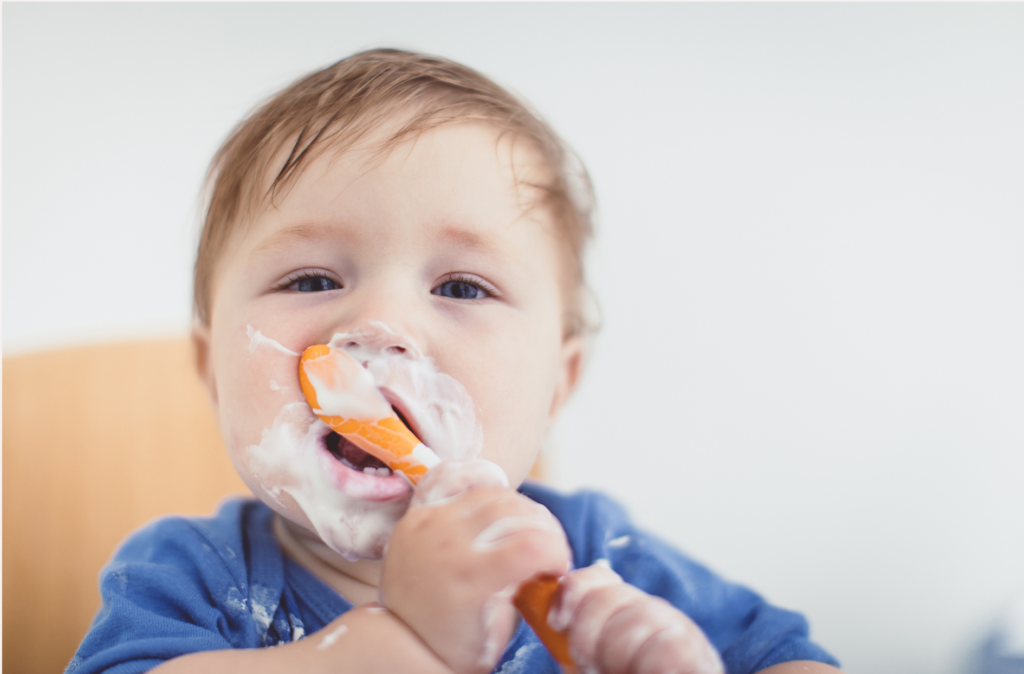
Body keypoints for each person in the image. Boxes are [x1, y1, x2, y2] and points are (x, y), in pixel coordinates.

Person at [68, 49, 842, 674]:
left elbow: (790, 657)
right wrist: (407, 644)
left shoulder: (593, 554)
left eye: (462, 286)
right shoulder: (189, 577)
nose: (379, 326)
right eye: (311, 279)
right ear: (210, 368)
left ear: (557, 386)